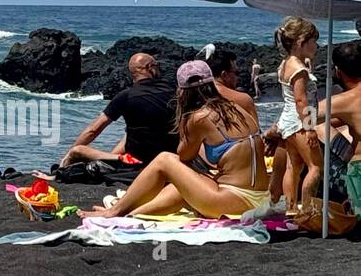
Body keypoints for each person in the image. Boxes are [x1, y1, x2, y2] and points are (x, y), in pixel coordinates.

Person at [82, 61, 268, 218]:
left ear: (183, 91)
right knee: (185, 184)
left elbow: (184, 156)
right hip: (259, 198)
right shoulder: (237, 108)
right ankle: (130, 213)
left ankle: (114, 212)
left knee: (165, 159)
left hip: (236, 200)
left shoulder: (199, 118)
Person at [59, 53, 177, 167]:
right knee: (130, 133)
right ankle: (111, 161)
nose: (159, 69)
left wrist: (69, 155)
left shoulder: (126, 96)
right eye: (156, 66)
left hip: (136, 162)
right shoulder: (174, 92)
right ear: (149, 68)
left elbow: (93, 130)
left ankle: (64, 165)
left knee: (77, 150)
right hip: (170, 160)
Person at [269, 17, 322, 210]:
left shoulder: (287, 63)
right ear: (301, 42)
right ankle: (308, 209)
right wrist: (310, 129)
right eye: (313, 41)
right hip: (299, 122)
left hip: (288, 120)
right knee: (316, 167)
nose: (316, 45)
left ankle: (291, 208)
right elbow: (301, 100)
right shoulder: (299, 69)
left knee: (294, 166)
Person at [314, 41, 361, 210]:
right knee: (321, 126)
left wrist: (269, 135)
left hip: (357, 178)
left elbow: (302, 118)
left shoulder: (345, 100)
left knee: (312, 129)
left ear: (338, 71)